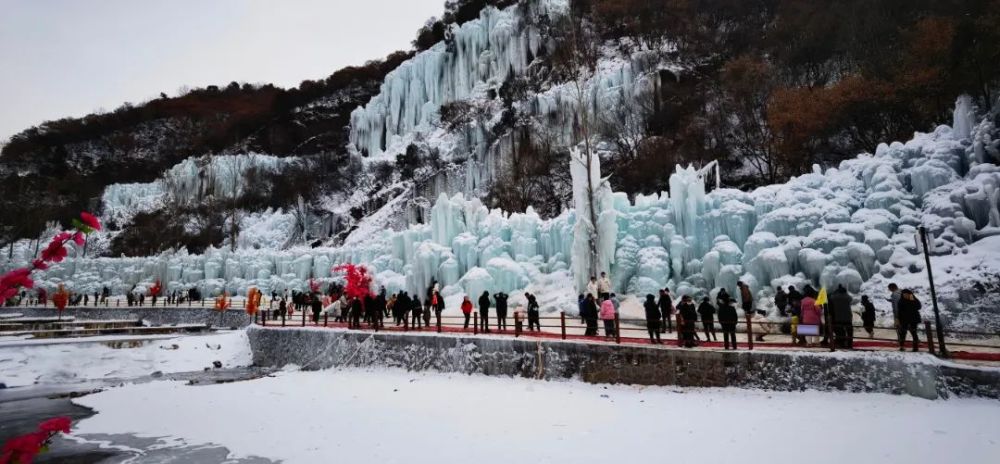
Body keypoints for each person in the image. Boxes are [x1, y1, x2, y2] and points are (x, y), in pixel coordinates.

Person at [829, 285, 854, 349]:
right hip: (848, 317)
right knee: (849, 331)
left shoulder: (835, 297)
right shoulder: (847, 297)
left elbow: (831, 297)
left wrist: (836, 291)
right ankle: (850, 344)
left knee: (840, 331)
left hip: (838, 317)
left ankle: (842, 343)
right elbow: (851, 299)